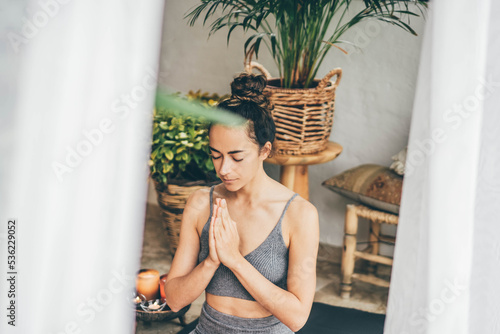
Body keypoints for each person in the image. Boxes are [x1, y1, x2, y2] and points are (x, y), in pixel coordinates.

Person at [164, 73, 319, 333]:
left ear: (265, 150)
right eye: (216, 155)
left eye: (237, 157)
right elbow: (174, 299)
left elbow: (297, 316)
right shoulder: (201, 203)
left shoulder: (299, 214)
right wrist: (211, 261)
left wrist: (235, 260)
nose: (224, 169)